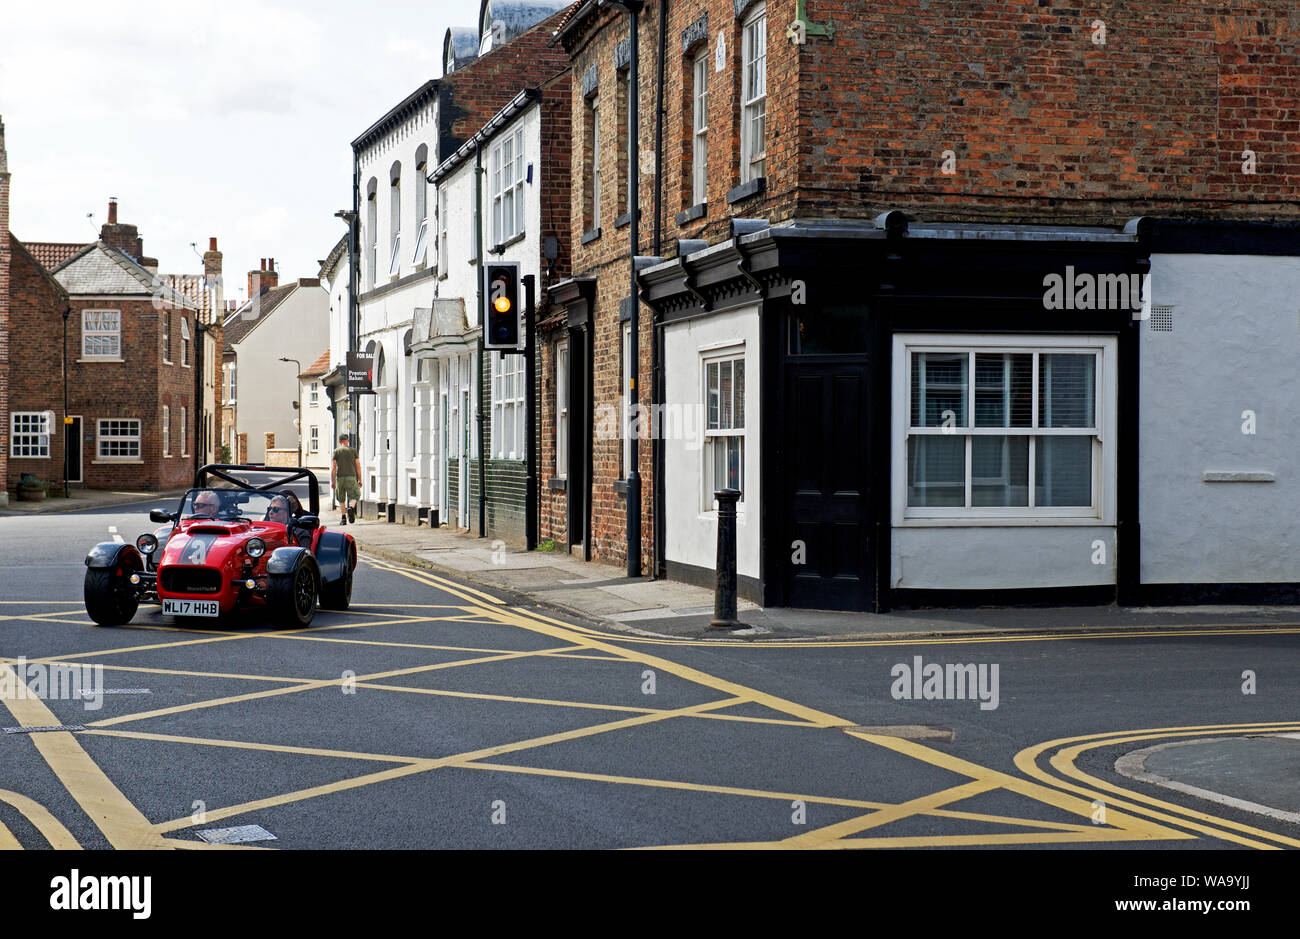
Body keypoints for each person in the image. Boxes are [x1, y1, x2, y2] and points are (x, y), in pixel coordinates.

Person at [331, 433, 361, 525]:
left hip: (340, 478)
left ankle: (343, 519)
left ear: (340, 441)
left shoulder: (336, 451)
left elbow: (334, 467)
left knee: (341, 498)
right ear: (347, 440)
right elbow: (358, 466)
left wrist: (332, 481)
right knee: (355, 495)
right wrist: (360, 479)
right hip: (351, 477)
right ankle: (351, 508)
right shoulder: (353, 451)